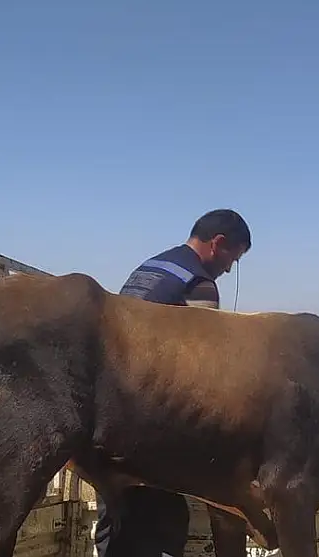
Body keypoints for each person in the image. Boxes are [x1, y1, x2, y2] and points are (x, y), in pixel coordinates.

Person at [94, 208, 251, 557]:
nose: (228, 269)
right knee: (163, 522)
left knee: (116, 523)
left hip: (107, 418)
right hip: (149, 424)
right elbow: (202, 369)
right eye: (232, 259)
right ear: (218, 244)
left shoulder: (149, 268)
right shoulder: (198, 283)